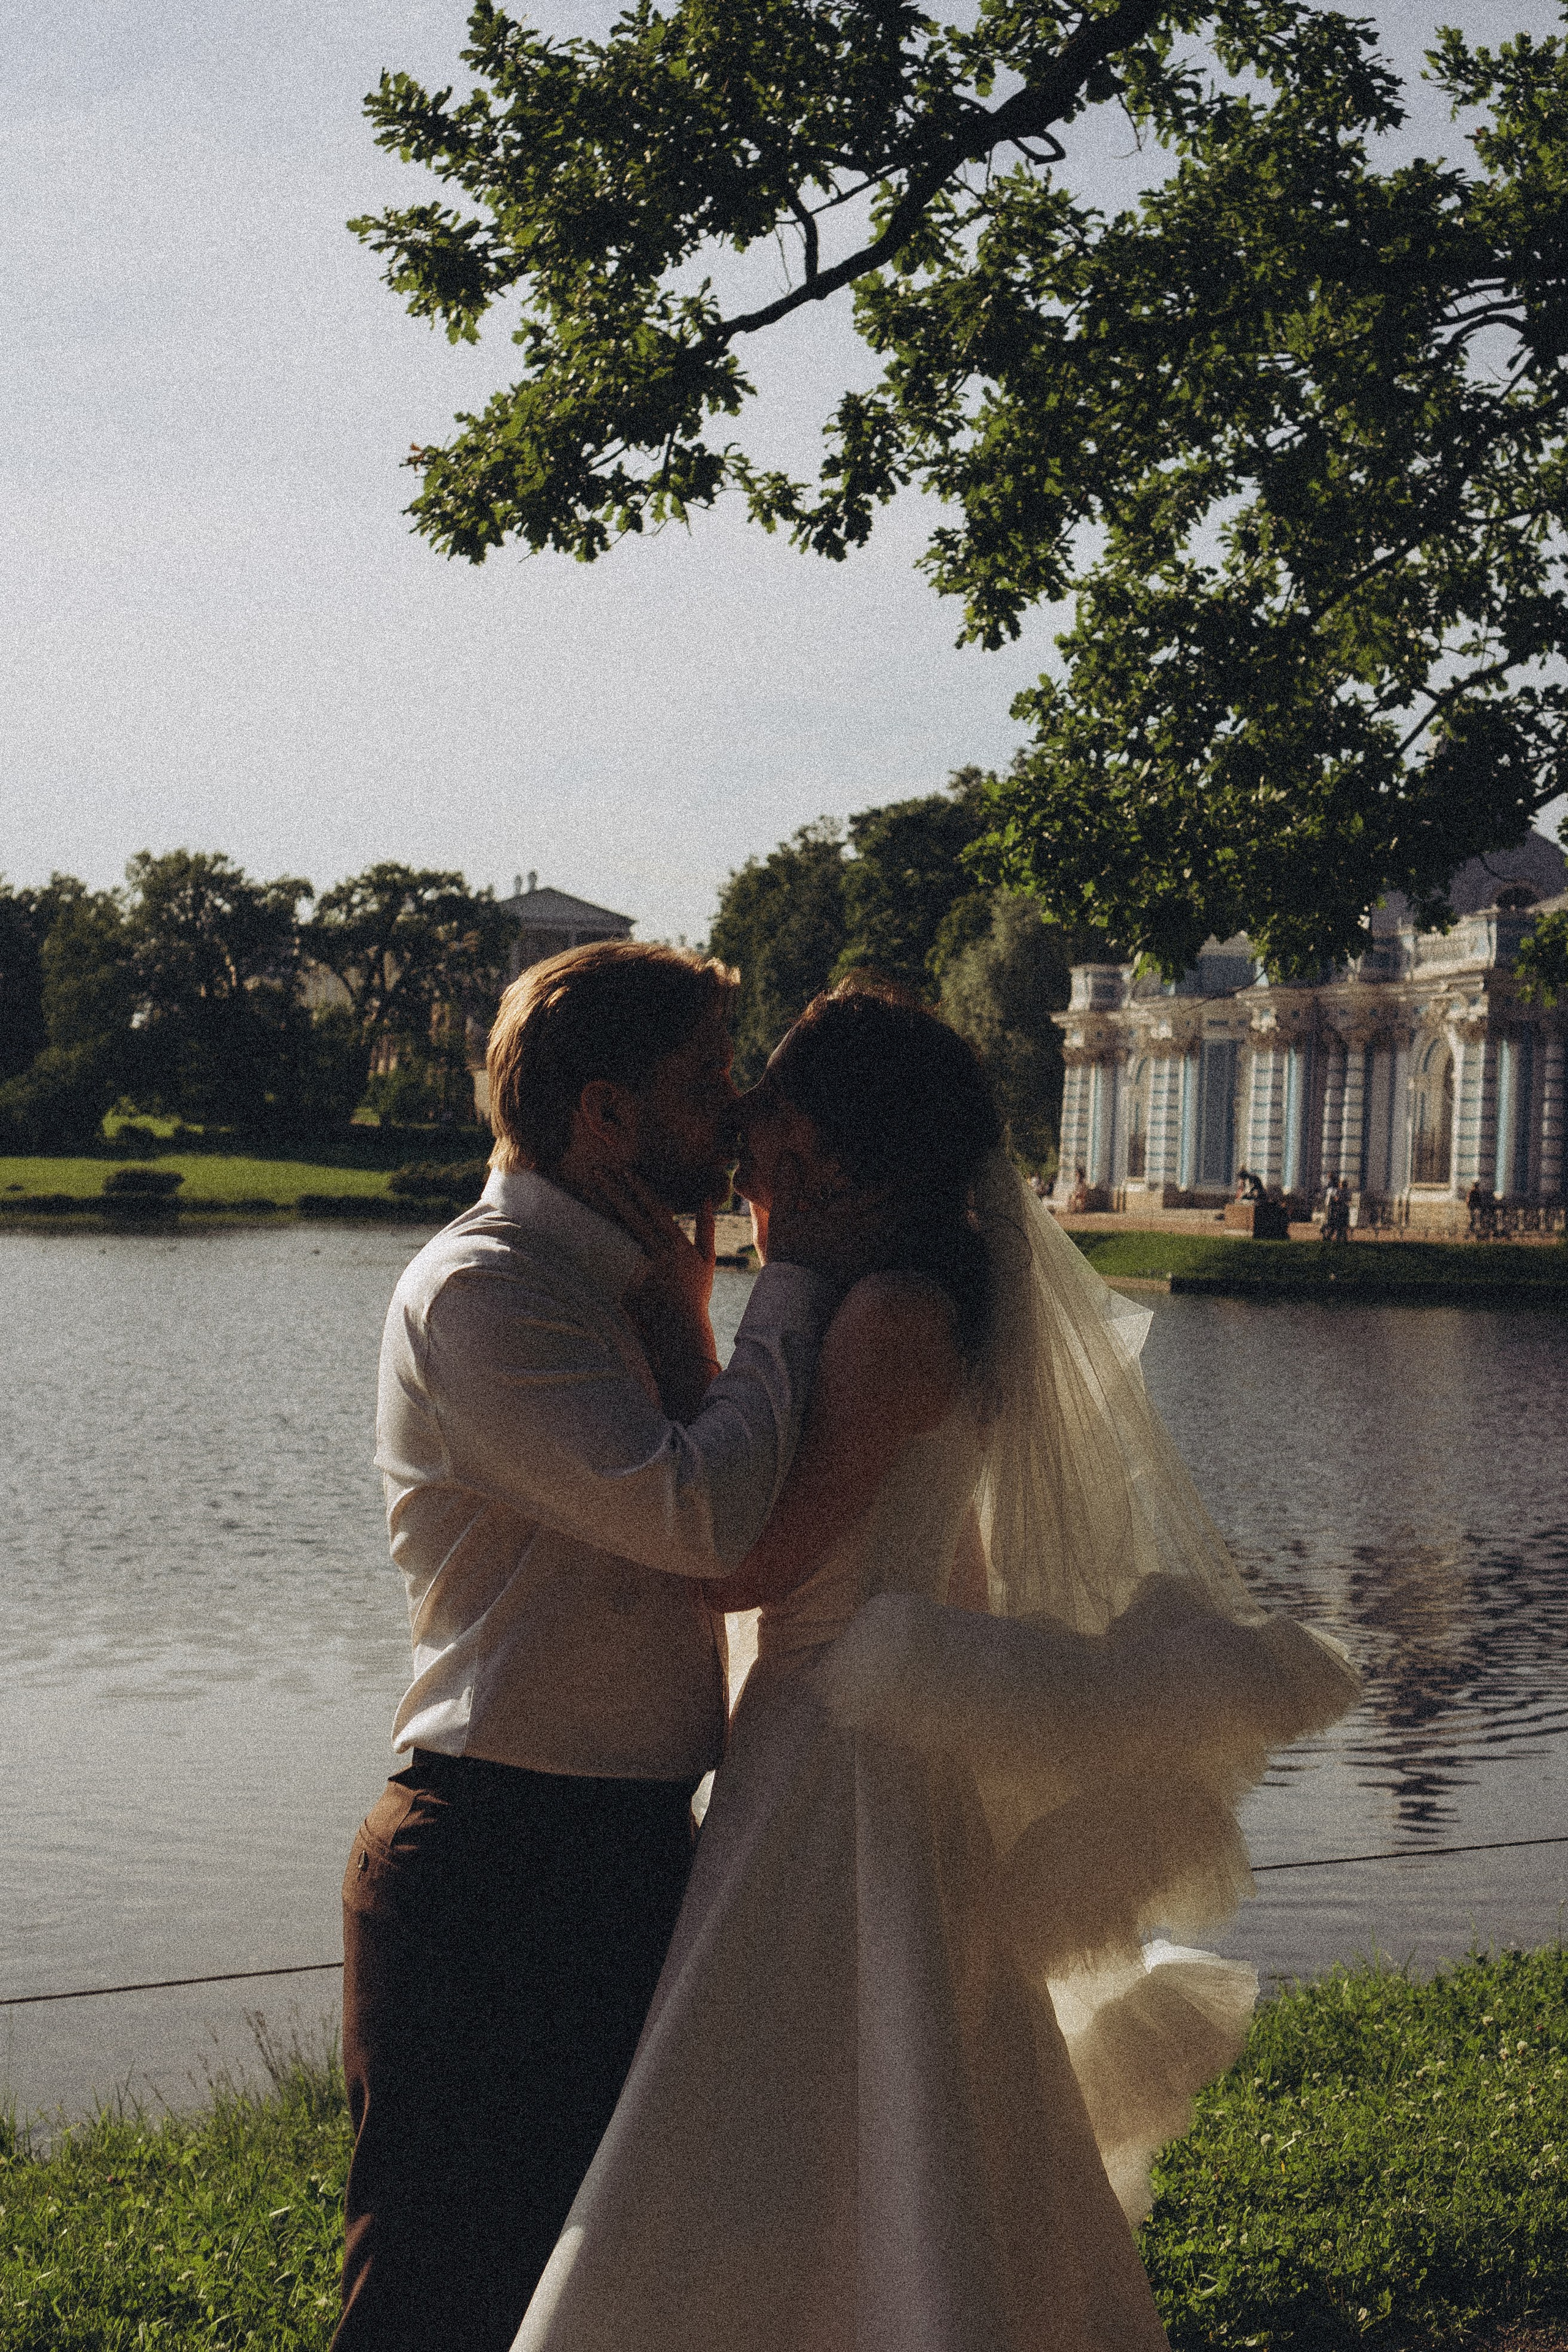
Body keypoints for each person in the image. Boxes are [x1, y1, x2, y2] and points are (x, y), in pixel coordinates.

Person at [513, 979, 1360, 2352]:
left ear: (829, 1142)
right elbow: (943, 1568)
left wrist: (719, 1323)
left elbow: (739, 1566)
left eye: (772, 1097)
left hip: (836, 1743)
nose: (745, 1122)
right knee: (891, 2086)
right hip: (865, 1720)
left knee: (807, 2076)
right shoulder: (911, 1299)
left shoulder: (880, 1320)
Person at [333, 941, 883, 2352]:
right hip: (495, 1861)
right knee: (442, 2292)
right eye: (706, 1084)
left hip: (620, 1850)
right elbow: (700, 1519)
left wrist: (703, 1311)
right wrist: (796, 1285)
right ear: (603, 1114)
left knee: (610, 2290)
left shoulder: (624, 1282)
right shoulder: (488, 1292)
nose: (741, 1110)